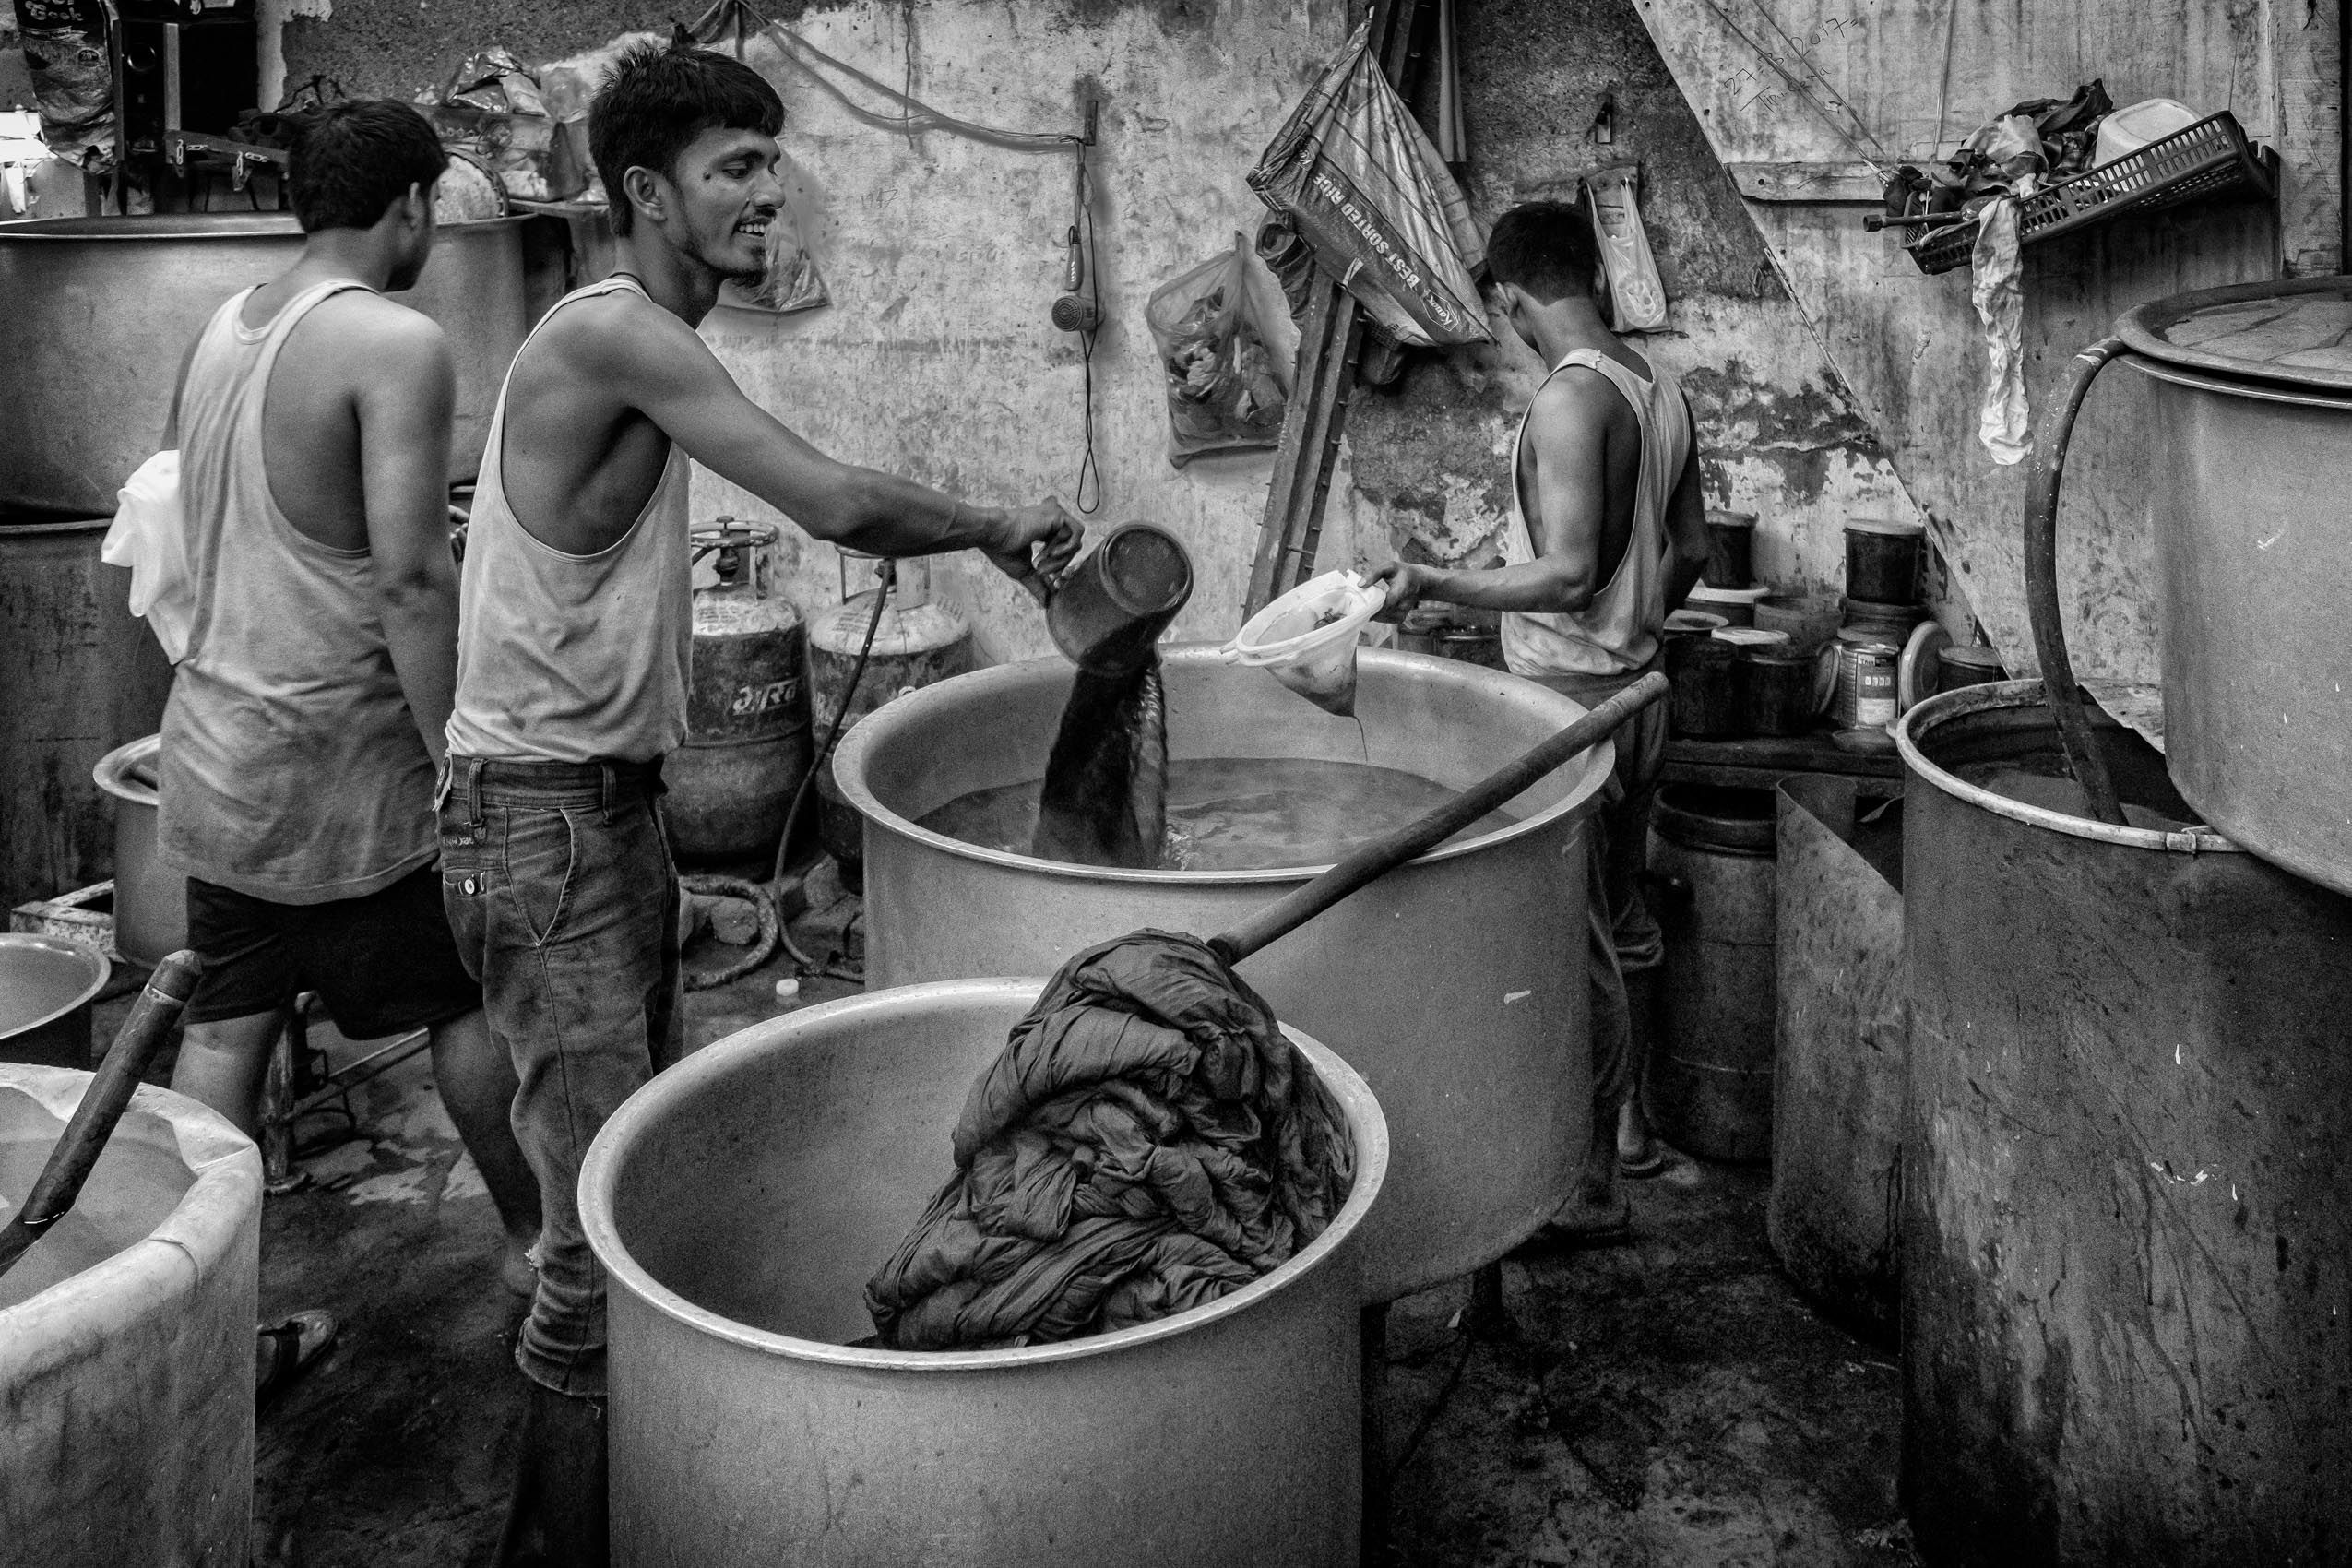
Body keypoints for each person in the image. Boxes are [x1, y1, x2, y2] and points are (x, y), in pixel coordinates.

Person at [436, 42, 1082, 1565]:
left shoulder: (639, 338)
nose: (766, 191)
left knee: (626, 1183)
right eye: (734, 166)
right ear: (648, 192)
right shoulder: (613, 334)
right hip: (545, 824)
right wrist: (1001, 525)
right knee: (596, 1257)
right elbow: (838, 503)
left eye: (771, 163)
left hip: (586, 814)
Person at [157, 99, 545, 1404]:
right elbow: (412, 579)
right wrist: (460, 757)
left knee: (227, 1026)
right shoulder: (393, 338)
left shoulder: (227, 322)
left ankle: (195, 1327)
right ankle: (537, 1253)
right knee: (462, 999)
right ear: (415, 207)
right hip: (344, 763)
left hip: (219, 747)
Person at [1369, 199, 1706, 1240]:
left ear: (1511, 298)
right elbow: (1691, 550)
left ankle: (1593, 1183)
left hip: (1570, 712)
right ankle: (1638, 1133)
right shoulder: (1662, 387)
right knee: (1631, 919)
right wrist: (1635, 614)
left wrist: (1431, 580)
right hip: (1643, 691)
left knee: (1577, 943)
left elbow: (1563, 572)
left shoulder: (1567, 404)